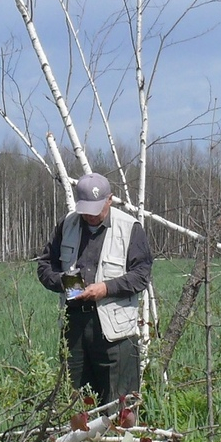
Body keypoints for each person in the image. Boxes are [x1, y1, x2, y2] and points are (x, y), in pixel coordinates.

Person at [35, 172, 153, 405]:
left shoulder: (130, 228)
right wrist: (66, 283)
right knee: (74, 402)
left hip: (116, 332)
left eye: (97, 207)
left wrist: (106, 288)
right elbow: (45, 265)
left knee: (120, 403)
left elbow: (142, 276)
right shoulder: (66, 225)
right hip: (74, 327)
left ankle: (118, 441)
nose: (91, 214)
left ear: (110, 199)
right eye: (86, 208)